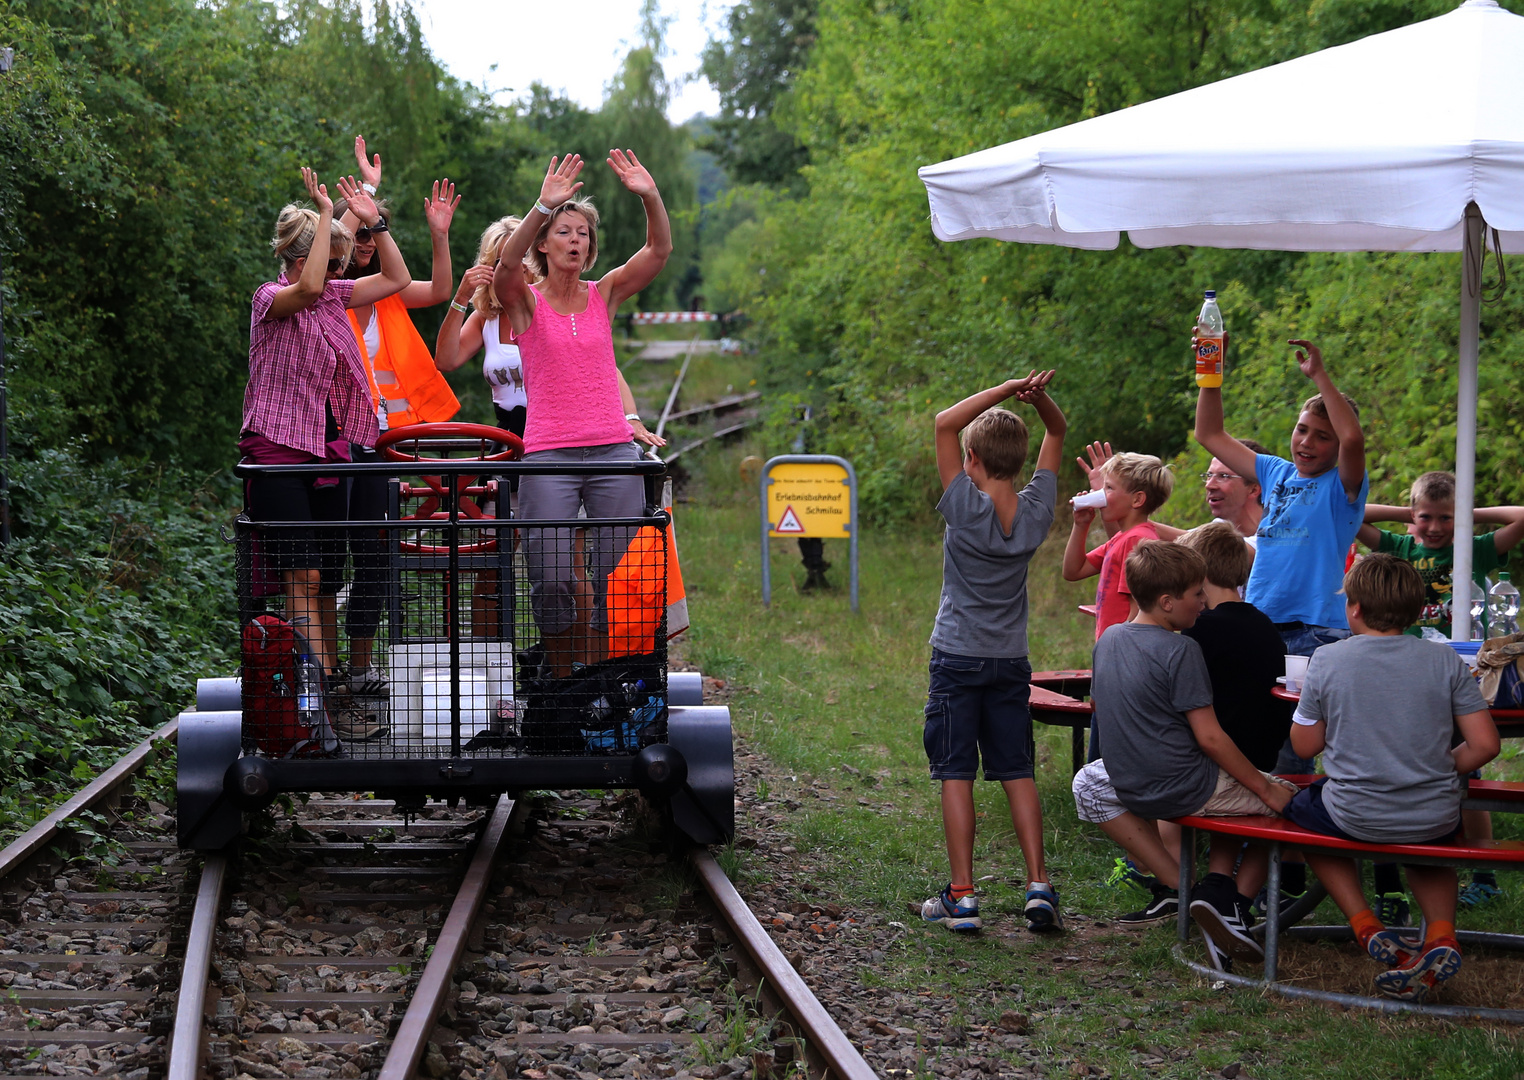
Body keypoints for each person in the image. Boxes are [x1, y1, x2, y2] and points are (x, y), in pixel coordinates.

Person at [240, 167, 410, 741]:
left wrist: (372, 219)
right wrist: (325, 216)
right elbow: (308, 288)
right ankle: (315, 698)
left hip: (322, 454)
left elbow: (396, 276)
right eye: (327, 256)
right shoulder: (273, 298)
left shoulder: (334, 295)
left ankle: (323, 693)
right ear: (299, 255)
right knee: (305, 575)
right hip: (276, 450)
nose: (339, 269)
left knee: (320, 575)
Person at [1284, 554, 1499, 1003]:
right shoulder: (1445, 662)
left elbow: (1304, 748)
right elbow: (1485, 746)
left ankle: (1365, 925)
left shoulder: (1328, 659)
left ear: (1355, 608)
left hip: (1354, 813)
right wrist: (1437, 770)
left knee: (1300, 813)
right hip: (1432, 814)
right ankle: (1441, 935)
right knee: (1433, 841)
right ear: (1418, 609)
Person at [490, 152, 668, 676]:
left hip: (613, 451)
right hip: (549, 456)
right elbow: (504, 269)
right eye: (564, 231)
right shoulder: (525, 302)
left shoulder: (603, 294)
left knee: (620, 578)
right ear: (543, 243)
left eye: (584, 233)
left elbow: (659, 251)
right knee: (551, 579)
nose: (576, 240)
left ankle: (607, 689)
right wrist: (541, 207)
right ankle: (564, 689)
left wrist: (649, 195)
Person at [1070, 541, 1296, 953]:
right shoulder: (1182, 650)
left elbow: (1102, 707)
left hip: (1130, 782)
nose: (1204, 602)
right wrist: (1267, 789)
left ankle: (1180, 886)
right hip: (1187, 786)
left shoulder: (1110, 640)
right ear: (1167, 602)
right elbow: (1210, 737)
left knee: (1087, 783)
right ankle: (1231, 904)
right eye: (1196, 594)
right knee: (1294, 805)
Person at [919, 371, 1067, 934]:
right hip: (1011, 660)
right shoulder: (1034, 513)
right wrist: (1039, 400)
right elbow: (1057, 430)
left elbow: (943, 423)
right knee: (1017, 770)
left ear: (972, 457)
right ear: (1021, 459)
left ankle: (963, 895)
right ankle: (1038, 885)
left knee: (956, 771)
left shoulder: (963, 507)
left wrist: (1007, 388)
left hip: (957, 656)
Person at [1195, 339, 1368, 791]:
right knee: (1258, 737)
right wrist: (1211, 370)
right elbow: (1209, 434)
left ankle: (1289, 854)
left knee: (1294, 750)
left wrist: (1319, 376)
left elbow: (1353, 438)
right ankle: (1255, 845)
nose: (1306, 442)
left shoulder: (1343, 487)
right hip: (1263, 624)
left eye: (1320, 435)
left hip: (1314, 631)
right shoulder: (1276, 473)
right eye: (1302, 429)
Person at [331, 138, 464, 701]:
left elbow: (438, 289)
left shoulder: (386, 293)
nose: (364, 241)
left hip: (383, 446)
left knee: (378, 561)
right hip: (332, 444)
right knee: (323, 562)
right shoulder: (324, 295)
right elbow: (332, 233)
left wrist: (438, 235)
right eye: (356, 234)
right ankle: (326, 669)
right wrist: (366, 194)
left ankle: (359, 670)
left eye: (372, 233)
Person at [1357, 472, 1524, 917]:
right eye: (1425, 517)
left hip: (1459, 670)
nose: (1434, 527)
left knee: (1463, 765)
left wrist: (1470, 515)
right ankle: (1402, 869)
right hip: (1404, 670)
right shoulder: (1401, 547)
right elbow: (1353, 512)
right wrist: (1407, 514)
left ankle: (1484, 875)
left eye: (1446, 517)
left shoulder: (1475, 549)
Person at [1062, 452, 1174, 761]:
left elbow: (1133, 613)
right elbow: (1073, 571)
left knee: (1107, 758)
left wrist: (1111, 672)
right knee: (1104, 750)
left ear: (1138, 499)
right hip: (1113, 659)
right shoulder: (1122, 538)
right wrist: (1081, 525)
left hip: (1122, 665)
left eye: (1109, 488)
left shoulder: (1138, 542)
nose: (1101, 495)